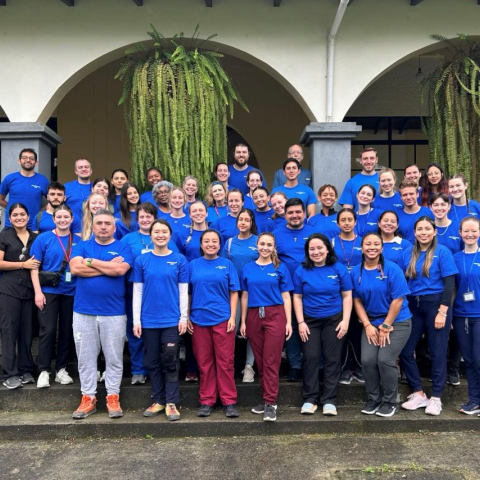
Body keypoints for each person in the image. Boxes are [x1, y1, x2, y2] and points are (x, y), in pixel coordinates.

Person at [69, 209, 133, 419]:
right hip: (83, 312)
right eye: (100, 223)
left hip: (113, 312)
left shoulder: (123, 246)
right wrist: (104, 266)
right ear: (93, 226)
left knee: (114, 357)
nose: (104, 226)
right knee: (85, 357)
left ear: (114, 228)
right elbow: (75, 269)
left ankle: (112, 396)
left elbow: (119, 271)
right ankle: (88, 397)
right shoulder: (82, 246)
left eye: (108, 223)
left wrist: (90, 262)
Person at [400, 216, 458, 416]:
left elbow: (449, 284)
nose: (423, 232)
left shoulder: (443, 252)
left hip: (436, 305)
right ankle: (418, 392)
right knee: (406, 350)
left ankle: (436, 398)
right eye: (419, 229)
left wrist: (443, 311)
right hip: (413, 306)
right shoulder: (408, 252)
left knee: (437, 351)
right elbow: (402, 278)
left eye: (427, 229)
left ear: (434, 232)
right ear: (414, 233)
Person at [132, 219, 189, 421]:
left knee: (171, 360)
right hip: (148, 321)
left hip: (172, 320)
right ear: (151, 235)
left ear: (170, 235)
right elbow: (137, 292)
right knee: (153, 361)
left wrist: (184, 317)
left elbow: (183, 291)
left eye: (164, 232)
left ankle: (172, 403)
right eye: (157, 232)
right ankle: (159, 400)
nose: (160, 235)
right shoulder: (142, 261)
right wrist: (136, 321)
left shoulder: (180, 260)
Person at [352, 233, 412, 417]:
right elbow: (356, 300)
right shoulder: (356, 271)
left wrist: (386, 326)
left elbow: (398, 300)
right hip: (371, 321)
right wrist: (368, 325)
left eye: (376, 244)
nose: (372, 247)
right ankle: (373, 399)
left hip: (397, 321)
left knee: (385, 360)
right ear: (362, 248)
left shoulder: (393, 270)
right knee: (368, 360)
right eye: (368, 244)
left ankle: (390, 401)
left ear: (382, 247)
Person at [293, 233, 352, 416]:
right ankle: (310, 399)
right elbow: (297, 297)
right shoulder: (301, 270)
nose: (316, 252)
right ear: (307, 251)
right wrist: (300, 322)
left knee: (332, 359)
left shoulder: (338, 268)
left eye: (320, 248)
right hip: (309, 320)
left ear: (327, 249)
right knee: (310, 357)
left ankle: (329, 400)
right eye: (312, 249)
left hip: (334, 319)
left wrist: (345, 321)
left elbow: (347, 295)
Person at [121, 202, 179, 385]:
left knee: (158, 336)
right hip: (135, 291)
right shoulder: (128, 240)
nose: (145, 220)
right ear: (137, 220)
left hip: (162, 294)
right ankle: (138, 369)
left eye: (149, 216)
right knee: (136, 331)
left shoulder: (168, 240)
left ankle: (161, 367)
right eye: (142, 217)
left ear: (154, 219)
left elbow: (176, 265)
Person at [240, 232, 293, 422]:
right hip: (254, 315)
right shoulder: (247, 268)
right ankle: (266, 397)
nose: (265, 247)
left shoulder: (280, 267)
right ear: (257, 245)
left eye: (269, 245)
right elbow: (244, 296)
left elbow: (287, 296)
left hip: (275, 314)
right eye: (262, 244)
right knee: (261, 360)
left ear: (274, 248)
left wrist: (289, 322)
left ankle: (271, 403)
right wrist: (243, 321)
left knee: (271, 359)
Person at [188, 229, 240, 418]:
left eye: (215, 241)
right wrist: (186, 316)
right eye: (207, 241)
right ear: (201, 245)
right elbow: (188, 292)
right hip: (198, 320)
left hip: (222, 319)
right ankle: (207, 400)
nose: (211, 244)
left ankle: (229, 401)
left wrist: (233, 317)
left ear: (220, 245)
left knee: (225, 361)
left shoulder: (227, 265)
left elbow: (234, 291)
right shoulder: (193, 265)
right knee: (204, 362)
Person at [30, 205, 78, 388]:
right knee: (48, 330)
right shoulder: (44, 238)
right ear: (54, 218)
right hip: (48, 291)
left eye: (66, 217)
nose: (63, 220)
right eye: (59, 217)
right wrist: (37, 292)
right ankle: (43, 370)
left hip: (71, 291)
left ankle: (61, 369)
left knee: (66, 330)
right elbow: (34, 266)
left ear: (72, 219)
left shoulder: (78, 240)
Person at [273, 198, 317, 381]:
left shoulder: (313, 233)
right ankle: (295, 365)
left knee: (311, 326)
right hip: (286, 289)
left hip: (311, 288)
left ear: (304, 213)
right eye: (290, 212)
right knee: (290, 327)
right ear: (284, 214)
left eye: (298, 211)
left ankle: (313, 364)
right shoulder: (276, 234)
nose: (295, 215)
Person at [0, 203, 39, 389]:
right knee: (9, 331)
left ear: (28, 216)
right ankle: (10, 373)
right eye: (15, 215)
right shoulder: (4, 236)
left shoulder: (35, 237)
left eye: (22, 214)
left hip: (29, 290)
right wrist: (22, 265)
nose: (19, 217)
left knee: (27, 332)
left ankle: (25, 370)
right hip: (9, 290)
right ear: (10, 217)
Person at [221, 208, 258, 383]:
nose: (243, 222)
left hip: (254, 293)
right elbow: (223, 266)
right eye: (240, 219)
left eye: (247, 220)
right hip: (233, 293)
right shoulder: (229, 243)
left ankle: (249, 366)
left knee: (252, 330)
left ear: (252, 223)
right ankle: (230, 364)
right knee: (231, 328)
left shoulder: (258, 242)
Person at [331, 208, 364, 384]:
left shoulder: (363, 242)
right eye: (342, 220)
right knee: (341, 333)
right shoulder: (332, 243)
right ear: (338, 223)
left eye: (350, 219)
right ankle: (344, 369)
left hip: (359, 292)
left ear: (355, 222)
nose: (346, 223)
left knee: (358, 333)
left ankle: (359, 368)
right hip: (339, 294)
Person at [452, 217, 480, 414]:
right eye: (466, 231)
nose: (470, 235)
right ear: (460, 233)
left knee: (478, 359)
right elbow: (451, 288)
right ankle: (474, 400)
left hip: (479, 315)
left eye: (474, 231)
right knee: (469, 360)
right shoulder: (454, 258)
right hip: (460, 315)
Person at [0, 148, 49, 230]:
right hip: (11, 225)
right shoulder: (10, 178)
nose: (28, 160)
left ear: (36, 162)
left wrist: (40, 211)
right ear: (19, 161)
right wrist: (11, 208)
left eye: (31, 158)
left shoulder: (42, 180)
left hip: (33, 226)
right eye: (24, 158)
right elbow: (0, 199)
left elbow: (52, 201)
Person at [64, 159, 93, 223]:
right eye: (80, 167)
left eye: (86, 167)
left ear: (91, 171)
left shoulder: (97, 187)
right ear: (76, 171)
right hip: (72, 226)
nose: (83, 169)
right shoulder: (66, 187)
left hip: (94, 225)